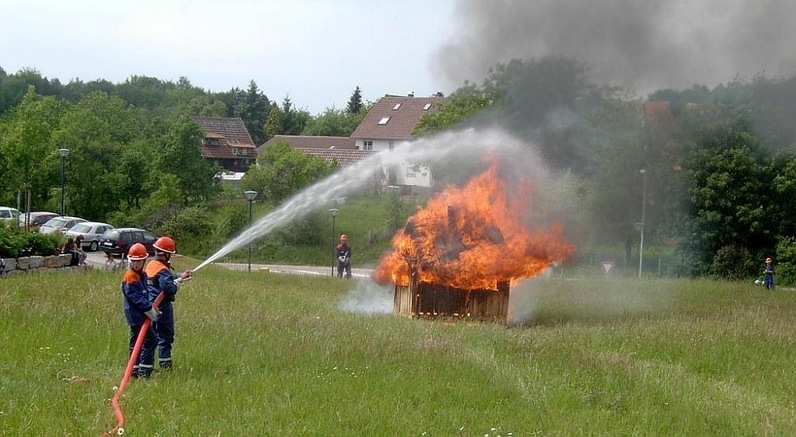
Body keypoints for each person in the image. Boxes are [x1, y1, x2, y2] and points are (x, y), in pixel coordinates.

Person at [145, 236, 192, 371]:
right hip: (162, 307)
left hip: (151, 307)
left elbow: (166, 277)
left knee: (152, 337)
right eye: (170, 254)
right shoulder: (162, 269)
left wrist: (180, 275)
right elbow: (168, 287)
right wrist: (179, 281)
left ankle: (147, 366)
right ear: (166, 253)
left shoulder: (152, 265)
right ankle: (165, 368)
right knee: (165, 337)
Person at [121, 243, 159, 379]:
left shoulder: (141, 274)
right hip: (136, 316)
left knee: (137, 342)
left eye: (139, 261)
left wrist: (151, 306)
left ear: (144, 261)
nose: (136, 264)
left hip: (140, 315)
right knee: (151, 340)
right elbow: (135, 297)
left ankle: (135, 369)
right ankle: (144, 370)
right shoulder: (130, 276)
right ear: (130, 260)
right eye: (134, 261)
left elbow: (144, 294)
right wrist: (149, 309)